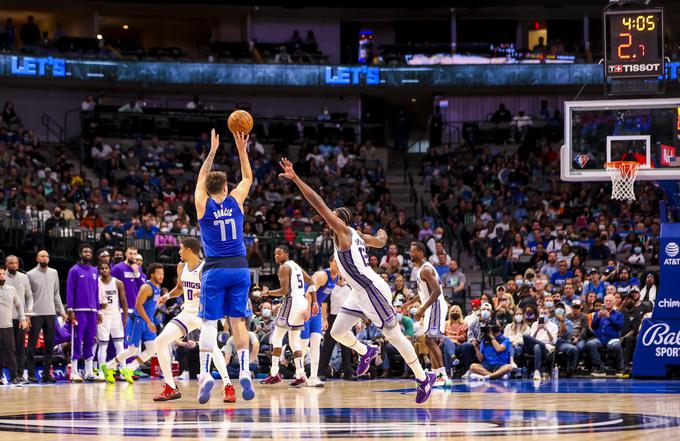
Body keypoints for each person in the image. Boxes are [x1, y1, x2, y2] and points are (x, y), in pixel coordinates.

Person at [278, 157, 436, 403]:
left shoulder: (342, 232)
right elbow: (380, 241)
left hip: (372, 289)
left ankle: (423, 377)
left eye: (333, 219)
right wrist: (382, 236)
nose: (328, 221)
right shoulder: (356, 234)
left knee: (394, 336)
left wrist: (296, 178)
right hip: (358, 292)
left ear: (339, 221)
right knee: (339, 332)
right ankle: (367, 350)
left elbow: (318, 204)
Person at [194, 129, 255, 403]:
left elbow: (199, 180)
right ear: (226, 188)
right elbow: (248, 177)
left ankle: (206, 375)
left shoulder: (202, 205)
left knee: (209, 322)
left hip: (215, 268)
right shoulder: (236, 200)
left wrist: (211, 152)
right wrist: (241, 148)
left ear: (207, 189)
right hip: (240, 267)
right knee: (237, 322)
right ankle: (244, 371)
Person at [152, 238, 235, 402]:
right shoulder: (181, 266)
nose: (178, 252)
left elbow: (219, 292)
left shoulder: (206, 268)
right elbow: (180, 289)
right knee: (160, 341)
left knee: (213, 349)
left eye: (181, 249)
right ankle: (171, 387)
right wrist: (167, 296)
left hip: (205, 313)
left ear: (189, 250)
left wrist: (204, 293)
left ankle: (228, 386)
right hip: (187, 313)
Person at [260, 245, 315, 387]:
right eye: (275, 254)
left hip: (292, 302)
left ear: (286, 253)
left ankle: (274, 373)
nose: (276, 256)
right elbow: (311, 281)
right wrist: (313, 302)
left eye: (279, 253)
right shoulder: (295, 265)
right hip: (302, 302)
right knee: (294, 341)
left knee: (276, 338)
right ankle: (301, 374)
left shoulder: (284, 268)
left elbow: (284, 291)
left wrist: (267, 293)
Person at [101, 263, 164, 384]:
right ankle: (109, 366)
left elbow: (151, 305)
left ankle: (129, 369)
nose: (161, 276)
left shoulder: (158, 287)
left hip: (147, 321)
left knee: (152, 349)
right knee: (132, 350)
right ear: (152, 274)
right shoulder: (146, 287)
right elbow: (138, 306)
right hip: (138, 320)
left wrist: (160, 301)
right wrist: (149, 321)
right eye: (159, 273)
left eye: (162, 273)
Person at [402, 241, 448, 385]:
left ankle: (443, 377)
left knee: (429, 340)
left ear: (421, 253)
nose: (410, 253)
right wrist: (410, 303)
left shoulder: (426, 269)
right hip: (431, 306)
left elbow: (437, 291)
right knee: (429, 341)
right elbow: (423, 292)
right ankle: (436, 375)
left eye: (413, 251)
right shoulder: (420, 269)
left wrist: (422, 309)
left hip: (435, 305)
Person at [26, 250, 66, 383]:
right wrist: (27, 314)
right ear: (37, 258)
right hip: (35, 314)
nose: (45, 258)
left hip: (50, 314)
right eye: (42, 256)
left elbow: (56, 294)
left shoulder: (54, 272)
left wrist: (62, 311)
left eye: (47, 256)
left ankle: (46, 374)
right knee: (32, 345)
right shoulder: (30, 274)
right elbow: (27, 296)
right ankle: (31, 374)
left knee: (49, 345)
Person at [302, 255, 340, 387]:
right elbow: (309, 292)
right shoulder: (322, 275)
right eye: (336, 262)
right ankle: (299, 373)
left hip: (315, 309)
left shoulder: (338, 277)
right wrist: (307, 309)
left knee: (316, 342)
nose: (338, 264)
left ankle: (313, 376)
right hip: (305, 307)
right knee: (303, 343)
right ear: (330, 263)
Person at [66, 244, 100, 382]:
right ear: (80, 254)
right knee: (77, 341)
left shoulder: (94, 271)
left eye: (89, 252)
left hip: (92, 311)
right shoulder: (74, 270)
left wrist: (98, 310)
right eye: (85, 251)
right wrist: (70, 309)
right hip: (79, 311)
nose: (87, 253)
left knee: (90, 341)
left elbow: (97, 292)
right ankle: (74, 371)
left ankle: (89, 371)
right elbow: (69, 290)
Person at [95, 262, 127, 382]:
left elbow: (123, 300)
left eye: (106, 268)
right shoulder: (96, 282)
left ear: (110, 269)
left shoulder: (118, 283)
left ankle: (123, 371)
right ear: (99, 270)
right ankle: (101, 372)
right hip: (102, 315)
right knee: (103, 345)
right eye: (101, 268)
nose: (104, 270)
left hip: (115, 315)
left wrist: (125, 316)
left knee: (119, 345)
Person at [318, 275, 354, 381]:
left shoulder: (349, 289)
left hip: (346, 318)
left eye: (343, 278)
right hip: (332, 319)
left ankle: (348, 372)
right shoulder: (331, 288)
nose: (341, 280)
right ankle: (321, 372)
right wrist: (324, 320)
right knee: (327, 347)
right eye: (339, 278)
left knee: (346, 346)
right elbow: (324, 304)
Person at [5, 255, 33, 384]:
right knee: (7, 348)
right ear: (6, 264)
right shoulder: (2, 277)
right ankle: (7, 374)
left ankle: (20, 374)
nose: (14, 265)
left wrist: (28, 314)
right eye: (11, 263)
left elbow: (29, 297)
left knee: (21, 347)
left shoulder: (24, 277)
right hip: (6, 320)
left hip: (21, 319)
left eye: (16, 263)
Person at [0, 267, 28, 386]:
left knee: (11, 353)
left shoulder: (11, 289)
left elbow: (19, 304)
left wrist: (22, 318)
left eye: (2, 274)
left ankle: (14, 377)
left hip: (7, 327)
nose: (1, 276)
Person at [587, 294, 624, 376]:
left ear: (614, 303)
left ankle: (620, 368)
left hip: (612, 338)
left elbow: (620, 326)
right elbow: (593, 326)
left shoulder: (619, 314)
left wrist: (609, 317)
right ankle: (600, 367)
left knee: (616, 346)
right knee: (590, 343)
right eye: (606, 301)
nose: (608, 302)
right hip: (600, 338)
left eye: (610, 301)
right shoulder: (597, 313)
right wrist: (598, 318)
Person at [523, 305, 558, 382]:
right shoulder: (534, 324)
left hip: (545, 349)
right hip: (535, 346)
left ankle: (537, 372)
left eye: (545, 313)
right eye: (541, 313)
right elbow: (531, 339)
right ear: (539, 314)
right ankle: (546, 345)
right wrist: (537, 329)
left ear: (549, 314)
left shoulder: (553, 326)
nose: (543, 315)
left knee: (537, 347)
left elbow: (554, 341)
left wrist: (547, 330)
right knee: (525, 336)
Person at [111, 246, 146, 318]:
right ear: (126, 254)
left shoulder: (138, 268)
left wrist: (137, 274)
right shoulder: (117, 268)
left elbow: (142, 288)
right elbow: (112, 287)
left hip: (136, 308)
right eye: (130, 253)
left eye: (134, 254)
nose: (132, 256)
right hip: (121, 308)